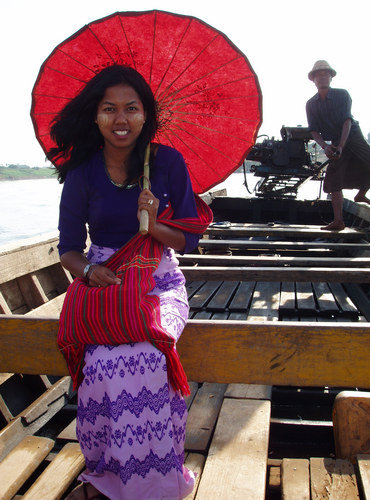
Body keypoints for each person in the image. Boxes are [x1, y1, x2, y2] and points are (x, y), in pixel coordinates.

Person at [48, 65, 212, 500]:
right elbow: (67, 249)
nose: (121, 119)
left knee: (153, 353)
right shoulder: (81, 173)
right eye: (109, 109)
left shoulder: (167, 162)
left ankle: (155, 481)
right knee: (100, 364)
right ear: (96, 117)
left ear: (145, 115)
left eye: (131, 109)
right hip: (104, 284)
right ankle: (111, 473)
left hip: (159, 282)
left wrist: (155, 223)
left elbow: (189, 240)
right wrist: (87, 272)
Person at [306, 60, 370, 230]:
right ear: (313, 79)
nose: (323, 77)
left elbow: (347, 121)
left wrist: (342, 146)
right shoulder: (311, 104)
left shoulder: (342, 95)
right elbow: (314, 131)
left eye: (326, 74)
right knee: (333, 179)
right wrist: (325, 146)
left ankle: (361, 194)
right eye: (319, 75)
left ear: (331, 77)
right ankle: (338, 221)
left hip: (352, 135)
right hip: (335, 141)